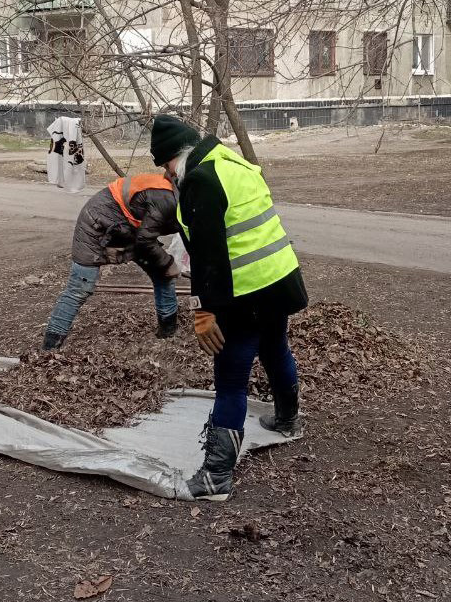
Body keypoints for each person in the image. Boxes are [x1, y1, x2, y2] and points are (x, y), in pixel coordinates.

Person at [150, 115, 308, 501]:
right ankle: (288, 420)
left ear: (178, 157)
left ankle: (215, 476)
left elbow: (209, 257)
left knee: (232, 376)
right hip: (279, 278)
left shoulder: (201, 179)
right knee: (275, 348)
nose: (169, 176)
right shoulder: (232, 162)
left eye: (167, 167)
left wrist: (203, 310)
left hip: (247, 292)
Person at [41, 172, 181, 351]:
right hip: (96, 222)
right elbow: (145, 240)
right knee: (80, 287)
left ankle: (168, 335)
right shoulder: (167, 199)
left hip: (130, 228)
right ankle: (49, 349)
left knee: (163, 275)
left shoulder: (187, 200)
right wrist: (169, 263)